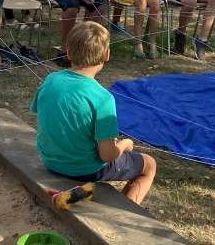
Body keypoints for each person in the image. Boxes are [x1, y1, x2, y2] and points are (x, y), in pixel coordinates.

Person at [31, 21, 157, 205]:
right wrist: (124, 145)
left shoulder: (50, 80)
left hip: (50, 161)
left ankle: (84, 195)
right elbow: (107, 156)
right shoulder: (103, 98)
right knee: (149, 164)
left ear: (67, 51)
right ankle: (127, 211)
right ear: (107, 55)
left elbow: (43, 115)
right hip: (84, 170)